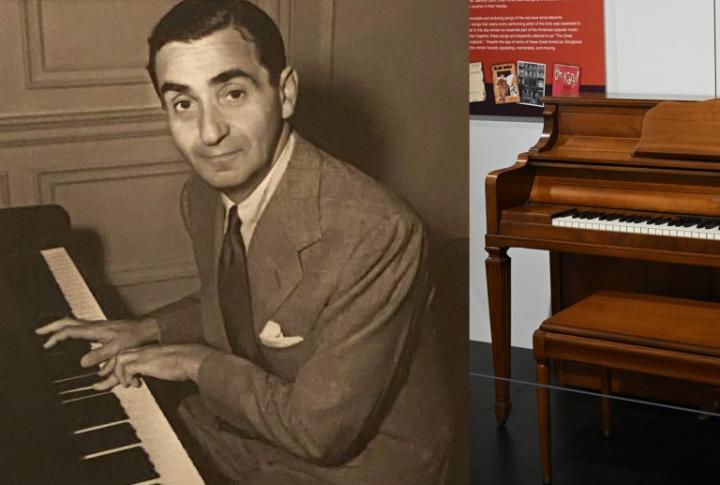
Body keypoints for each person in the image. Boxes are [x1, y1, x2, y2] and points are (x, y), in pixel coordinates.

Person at [35, 1, 451, 483]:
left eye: (232, 93)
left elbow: (318, 434)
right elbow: (244, 302)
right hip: (247, 433)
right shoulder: (200, 196)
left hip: (359, 466)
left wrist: (194, 361)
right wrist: (147, 329)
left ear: (285, 92)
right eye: (183, 104)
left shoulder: (378, 232)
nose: (209, 133)